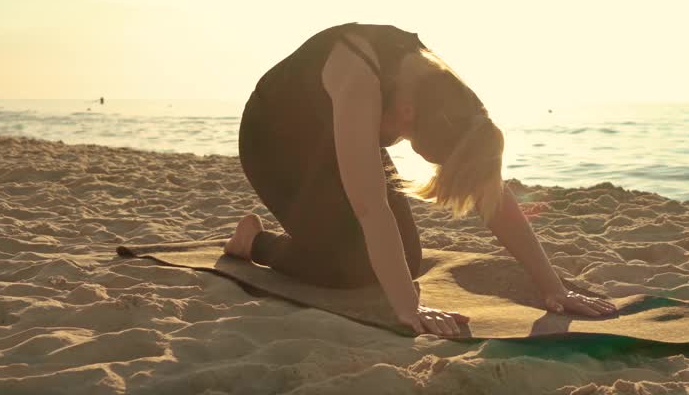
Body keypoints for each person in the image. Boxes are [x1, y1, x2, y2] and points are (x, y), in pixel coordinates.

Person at [226, 22, 616, 337]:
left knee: (406, 259)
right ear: (408, 112)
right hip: (277, 144)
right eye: (406, 138)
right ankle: (254, 243)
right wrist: (411, 308)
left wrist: (552, 286)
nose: (397, 141)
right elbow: (370, 207)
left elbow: (490, 193)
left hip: (335, 135)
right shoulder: (359, 77)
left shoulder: (449, 96)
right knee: (349, 267)